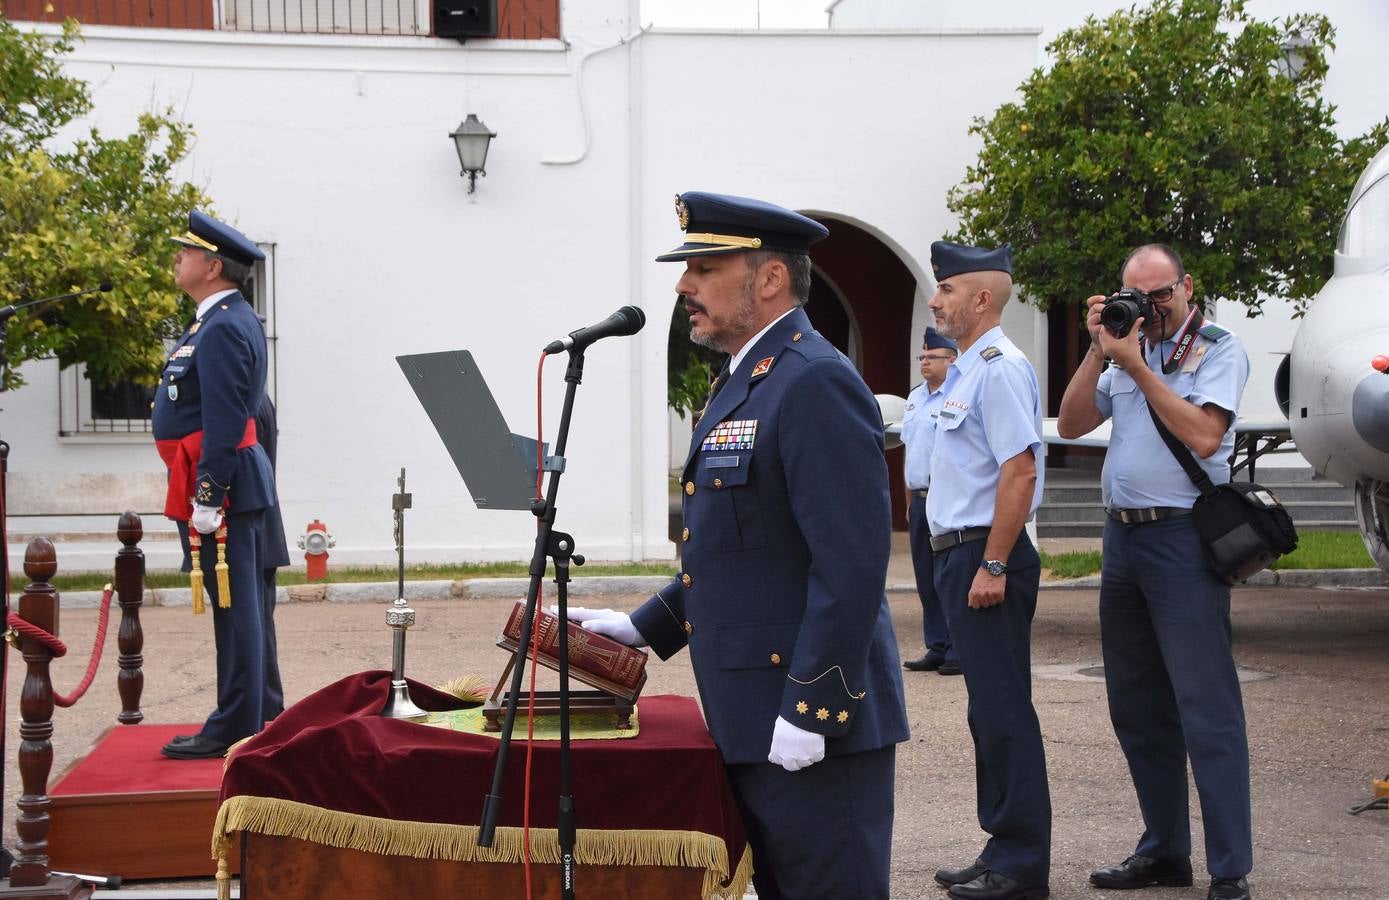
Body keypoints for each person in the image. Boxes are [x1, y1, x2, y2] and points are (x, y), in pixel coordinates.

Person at [568, 191, 909, 899]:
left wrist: (813, 707)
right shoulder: (748, 379)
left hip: (810, 722)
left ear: (770, 278)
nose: (682, 286)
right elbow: (744, 547)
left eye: (704, 268)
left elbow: (849, 565)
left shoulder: (813, 380)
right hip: (751, 713)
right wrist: (644, 625)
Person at [1056, 244, 1253, 900]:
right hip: (1123, 541)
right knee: (1137, 705)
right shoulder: (1123, 347)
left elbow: (1204, 435)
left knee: (1205, 707)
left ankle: (1230, 868)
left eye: (1160, 293)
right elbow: (1072, 422)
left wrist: (1138, 367)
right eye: (1137, 295)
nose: (1151, 306)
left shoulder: (1217, 349)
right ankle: (1164, 850)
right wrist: (1097, 349)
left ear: (1186, 286)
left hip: (1181, 541)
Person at [925, 241, 1050, 900]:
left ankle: (1022, 866)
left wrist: (994, 563)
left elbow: (1018, 471)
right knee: (987, 713)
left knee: (1003, 713)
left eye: (945, 289)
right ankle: (1002, 844)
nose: (934, 300)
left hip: (985, 553)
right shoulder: (968, 370)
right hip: (963, 553)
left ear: (980, 298)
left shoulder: (998, 369)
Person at [152, 211, 286, 760]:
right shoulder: (219, 320)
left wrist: (208, 495)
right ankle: (263, 712)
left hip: (223, 490)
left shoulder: (225, 324)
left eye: (186, 252)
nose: (177, 258)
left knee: (238, 611)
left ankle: (234, 725)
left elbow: (230, 417)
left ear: (212, 267)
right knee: (246, 607)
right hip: (232, 483)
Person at [902, 326, 961, 675]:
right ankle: (937, 644)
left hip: (947, 497)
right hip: (920, 498)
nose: (924, 361)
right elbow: (912, 451)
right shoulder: (915, 398)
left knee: (949, 575)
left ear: (951, 360)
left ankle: (957, 648)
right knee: (925, 576)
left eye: (932, 356)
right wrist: (909, 500)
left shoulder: (957, 396)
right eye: (922, 356)